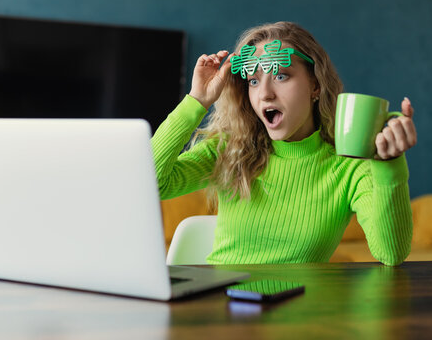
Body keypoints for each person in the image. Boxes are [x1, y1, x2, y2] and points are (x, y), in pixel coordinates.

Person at [151, 21, 417, 266]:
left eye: (280, 76)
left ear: (315, 86)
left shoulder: (349, 165)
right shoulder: (229, 150)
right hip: (224, 304)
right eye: (253, 81)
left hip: (299, 312)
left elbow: (390, 253)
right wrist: (196, 101)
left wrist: (389, 165)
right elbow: (151, 183)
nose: (264, 94)